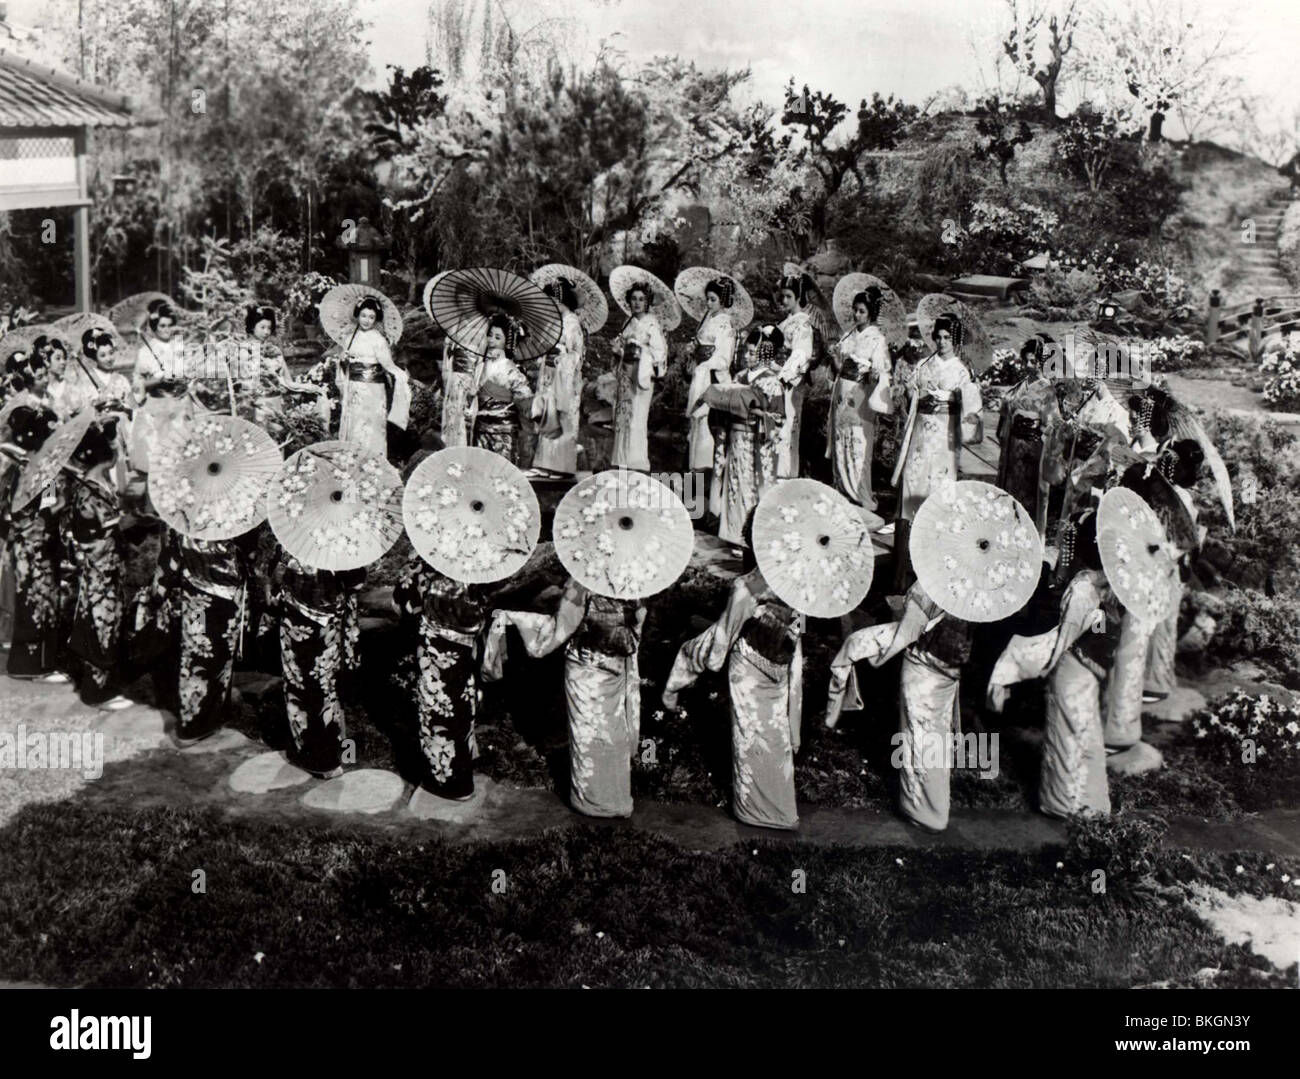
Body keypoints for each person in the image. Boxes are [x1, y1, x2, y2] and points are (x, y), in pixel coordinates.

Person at [663, 513, 804, 830]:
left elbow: (723, 640)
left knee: (756, 734)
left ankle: (761, 809)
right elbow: (796, 630)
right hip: (771, 665)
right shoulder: (796, 582)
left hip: (756, 668)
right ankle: (770, 809)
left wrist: (710, 659)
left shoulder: (747, 587)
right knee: (769, 734)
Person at [988, 509, 1117, 819]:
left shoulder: (1088, 588)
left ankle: (1075, 802)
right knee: (1076, 733)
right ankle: (1075, 800)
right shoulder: (1094, 590)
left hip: (1077, 670)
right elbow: (1077, 635)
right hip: (1079, 669)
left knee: (1076, 734)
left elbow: (1070, 636)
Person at [483, 575, 646, 819]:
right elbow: (635, 627)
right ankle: (618, 798)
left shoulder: (582, 584)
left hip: (586, 671)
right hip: (617, 666)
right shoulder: (635, 585)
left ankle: (592, 801)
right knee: (614, 727)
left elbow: (556, 629)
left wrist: (515, 617)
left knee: (587, 731)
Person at [824, 580, 972, 833]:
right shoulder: (970, 591)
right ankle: (936, 808)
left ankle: (921, 810)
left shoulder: (926, 588)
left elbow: (907, 634)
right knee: (937, 739)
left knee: (917, 739)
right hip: (948, 673)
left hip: (923, 673)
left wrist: (879, 657)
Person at [892, 313, 982, 590]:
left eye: (947, 338)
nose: (942, 342)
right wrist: (910, 390)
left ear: (955, 341)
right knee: (912, 484)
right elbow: (909, 394)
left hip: (945, 435)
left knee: (939, 490)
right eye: (939, 337)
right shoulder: (923, 364)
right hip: (921, 432)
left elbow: (970, 410)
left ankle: (932, 566)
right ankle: (902, 568)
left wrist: (961, 396)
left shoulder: (961, 371)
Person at [394, 556, 494, 799]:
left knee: (437, 712)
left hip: (435, 652)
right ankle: (464, 770)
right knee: (461, 706)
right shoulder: (477, 569)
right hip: (464, 650)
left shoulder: (425, 573)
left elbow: (403, 607)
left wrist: (410, 574)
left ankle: (448, 783)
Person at [272, 550, 365, 778]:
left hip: (301, 618)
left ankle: (323, 759)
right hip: (332, 618)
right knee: (329, 686)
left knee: (306, 687)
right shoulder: (347, 540)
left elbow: (276, 579)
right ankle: (342, 754)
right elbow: (357, 580)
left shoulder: (294, 537)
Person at [62, 416, 133, 710]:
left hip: (109, 570)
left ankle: (104, 684)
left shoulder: (96, 484)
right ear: (105, 456)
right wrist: (120, 526)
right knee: (100, 624)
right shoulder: (87, 492)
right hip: (98, 569)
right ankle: (97, 692)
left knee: (109, 623)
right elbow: (89, 539)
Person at [4, 405, 68, 681]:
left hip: (22, 542)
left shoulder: (17, 466)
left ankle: (22, 662)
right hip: (40, 543)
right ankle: (39, 665)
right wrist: (64, 499)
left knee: (27, 599)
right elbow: (51, 507)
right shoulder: (45, 469)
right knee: (42, 601)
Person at [705, 326, 786, 546]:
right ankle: (731, 534)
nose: (746, 356)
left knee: (750, 490)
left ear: (764, 354)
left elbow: (778, 418)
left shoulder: (771, 381)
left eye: (752, 353)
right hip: (734, 439)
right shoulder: (739, 376)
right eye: (745, 352)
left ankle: (749, 539)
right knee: (733, 487)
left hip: (755, 445)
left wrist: (758, 412)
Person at [828, 286, 892, 515]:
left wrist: (875, 374)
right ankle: (842, 490)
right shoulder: (849, 335)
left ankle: (860, 496)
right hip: (842, 393)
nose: (857, 315)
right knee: (840, 441)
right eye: (855, 310)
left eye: (862, 311)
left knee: (858, 445)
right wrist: (836, 358)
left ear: (870, 313)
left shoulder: (877, 339)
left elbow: (881, 372)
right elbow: (838, 370)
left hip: (861, 396)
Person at [995, 335, 1066, 538]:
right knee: (1011, 493)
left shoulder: (1047, 390)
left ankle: (1029, 540)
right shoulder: (1020, 385)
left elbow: (1052, 423)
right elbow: (1006, 412)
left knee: (1030, 498)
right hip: (1013, 447)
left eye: (1034, 361)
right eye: (1026, 360)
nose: (1029, 365)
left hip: (1033, 450)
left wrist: (1038, 430)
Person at [685, 278, 736, 513]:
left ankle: (708, 496)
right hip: (701, 374)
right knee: (697, 431)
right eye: (708, 298)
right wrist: (693, 350)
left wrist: (706, 364)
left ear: (723, 300)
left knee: (708, 431)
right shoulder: (708, 320)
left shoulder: (726, 324)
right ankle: (694, 492)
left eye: (714, 299)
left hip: (713, 378)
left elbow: (724, 357)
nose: (709, 303)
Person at [336, 296, 410, 458]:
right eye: (363, 315)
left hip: (372, 389)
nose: (366, 321)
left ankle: (374, 460)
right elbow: (343, 365)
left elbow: (388, 365)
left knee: (372, 425)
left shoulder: (378, 340)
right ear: (357, 315)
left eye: (371, 317)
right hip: (354, 388)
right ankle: (353, 459)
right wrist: (343, 361)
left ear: (376, 319)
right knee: (354, 423)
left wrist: (401, 375)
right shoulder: (350, 338)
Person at [240, 305, 324, 437]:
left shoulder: (275, 351)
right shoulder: (243, 351)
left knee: (277, 437)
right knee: (258, 440)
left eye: (269, 328)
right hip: (255, 404)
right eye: (262, 327)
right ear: (252, 326)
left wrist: (308, 387)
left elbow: (288, 381)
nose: (266, 332)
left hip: (275, 402)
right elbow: (244, 383)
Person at [531, 278, 585, 476]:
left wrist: (560, 356)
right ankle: (544, 464)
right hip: (549, 375)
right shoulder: (554, 322)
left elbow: (577, 354)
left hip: (563, 376)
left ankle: (561, 467)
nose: (551, 304)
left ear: (562, 299)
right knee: (547, 414)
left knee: (562, 417)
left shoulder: (572, 322)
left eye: (553, 300)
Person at [610, 280, 666, 471]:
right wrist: (619, 349)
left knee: (637, 418)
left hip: (641, 371)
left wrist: (639, 348)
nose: (637, 303)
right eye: (633, 299)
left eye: (641, 299)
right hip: (626, 371)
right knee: (622, 416)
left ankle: (636, 462)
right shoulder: (628, 322)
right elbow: (620, 345)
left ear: (647, 302)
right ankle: (620, 460)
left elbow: (659, 352)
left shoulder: (652, 324)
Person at [130, 300, 189, 473]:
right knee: (159, 455)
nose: (166, 329)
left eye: (170, 325)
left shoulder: (179, 347)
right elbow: (137, 383)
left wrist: (183, 378)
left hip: (178, 404)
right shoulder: (145, 352)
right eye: (162, 325)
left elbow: (187, 374)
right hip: (157, 406)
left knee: (180, 452)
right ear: (154, 326)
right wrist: (158, 380)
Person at [472, 314, 533, 464]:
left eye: (498, 337)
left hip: (504, 427)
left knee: (503, 471)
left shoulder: (511, 368)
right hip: (480, 425)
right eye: (490, 335)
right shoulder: (480, 365)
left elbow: (524, 397)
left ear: (508, 341)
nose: (491, 340)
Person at [775, 273, 817, 478]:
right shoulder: (787, 322)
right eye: (782, 296)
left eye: (788, 296)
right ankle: (775, 469)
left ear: (799, 298)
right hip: (778, 374)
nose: (783, 301)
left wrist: (787, 375)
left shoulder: (803, 324)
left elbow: (803, 356)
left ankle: (786, 473)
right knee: (777, 423)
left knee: (788, 424)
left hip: (789, 382)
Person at [80, 329, 133, 412]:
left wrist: (123, 406)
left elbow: (133, 407)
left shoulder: (121, 379)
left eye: (111, 353)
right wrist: (97, 403)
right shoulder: (86, 381)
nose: (109, 358)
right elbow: (83, 412)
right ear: (95, 357)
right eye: (103, 355)